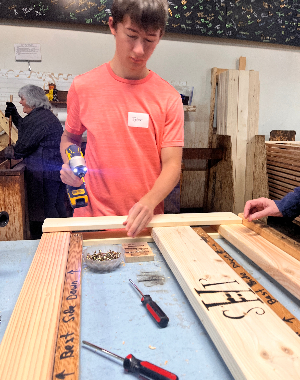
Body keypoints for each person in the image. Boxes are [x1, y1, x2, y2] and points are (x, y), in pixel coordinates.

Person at [60, 0, 184, 238]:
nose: (139, 50)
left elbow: (172, 165)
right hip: (91, 220)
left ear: (160, 36)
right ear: (113, 27)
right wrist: (71, 162)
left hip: (142, 223)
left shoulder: (168, 97)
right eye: (131, 35)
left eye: (150, 40)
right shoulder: (83, 86)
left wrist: (149, 202)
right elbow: (70, 138)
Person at [5, 84, 67, 238]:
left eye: (22, 98)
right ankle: (65, 237)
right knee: (57, 206)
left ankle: (54, 241)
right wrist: (15, 116)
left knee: (48, 210)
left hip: (46, 174)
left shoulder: (39, 119)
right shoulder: (41, 115)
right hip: (53, 172)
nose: (20, 102)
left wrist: (9, 152)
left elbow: (22, 147)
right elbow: (28, 129)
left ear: (31, 100)